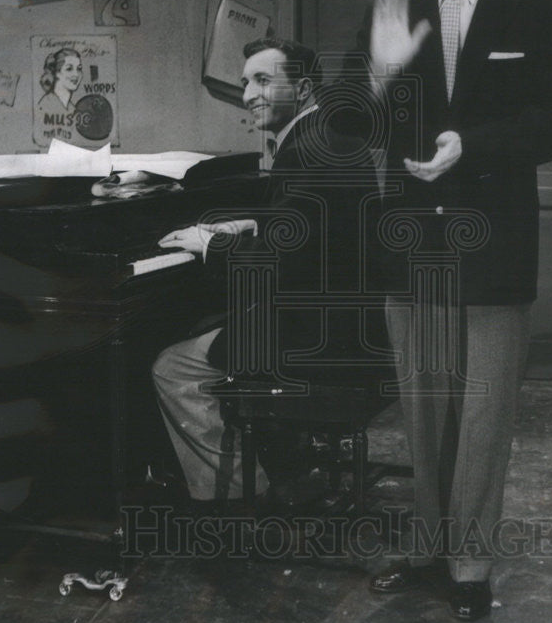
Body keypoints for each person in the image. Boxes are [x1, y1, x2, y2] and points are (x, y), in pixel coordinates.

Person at [357, 0, 552, 620]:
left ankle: (469, 565)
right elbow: (362, 128)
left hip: (494, 248)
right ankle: (426, 549)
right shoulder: (396, 13)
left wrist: (473, 145)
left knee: (483, 412)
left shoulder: (538, 10)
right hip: (413, 249)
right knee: (423, 410)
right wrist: (382, 77)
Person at [152, 37, 384, 514]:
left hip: (318, 338)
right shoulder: (328, 137)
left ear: (301, 89)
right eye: (244, 83)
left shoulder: (303, 150)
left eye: (263, 80)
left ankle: (238, 497)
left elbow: (282, 259)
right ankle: (288, 469)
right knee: (209, 330)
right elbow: (311, 229)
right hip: (353, 326)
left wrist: (210, 243)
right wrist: (251, 223)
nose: (248, 94)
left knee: (174, 367)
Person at [37, 47, 83, 113]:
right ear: (56, 73)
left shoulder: (72, 109)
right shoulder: (46, 105)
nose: (76, 74)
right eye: (69, 69)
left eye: (79, 69)